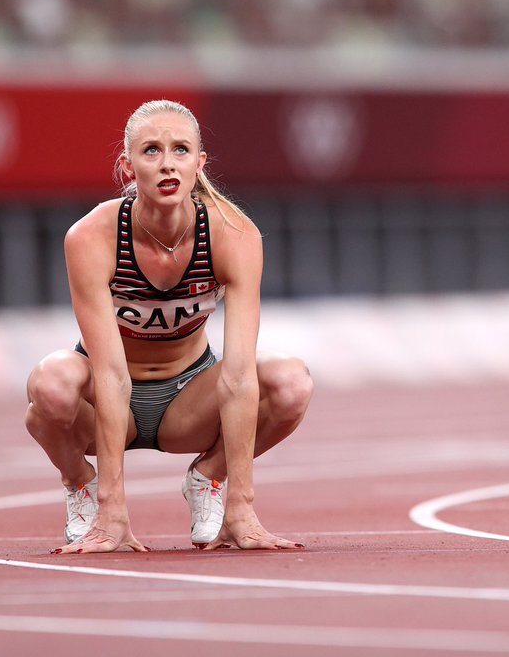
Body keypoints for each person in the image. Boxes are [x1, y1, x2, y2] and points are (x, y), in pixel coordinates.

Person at [24, 99, 313, 553]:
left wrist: (242, 505)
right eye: (151, 151)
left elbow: (237, 376)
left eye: (180, 150)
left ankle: (208, 478)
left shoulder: (233, 234)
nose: (167, 165)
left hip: (188, 402)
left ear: (199, 164)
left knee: (290, 381)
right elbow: (111, 374)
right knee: (50, 383)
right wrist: (111, 509)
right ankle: (78, 482)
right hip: (104, 398)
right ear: (127, 165)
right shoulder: (90, 236)